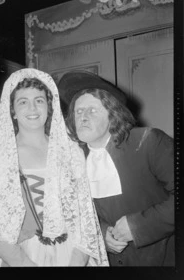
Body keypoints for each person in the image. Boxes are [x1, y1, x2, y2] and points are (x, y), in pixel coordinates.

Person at [0, 68, 109, 267]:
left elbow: (85, 220)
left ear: (49, 105)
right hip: (19, 257)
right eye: (23, 102)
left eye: (39, 100)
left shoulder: (70, 152)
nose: (33, 108)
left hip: (71, 254)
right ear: (12, 110)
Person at [58, 70, 174, 266]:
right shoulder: (75, 159)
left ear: (112, 115)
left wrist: (138, 226)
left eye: (92, 110)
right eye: (78, 111)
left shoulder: (148, 141)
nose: (83, 117)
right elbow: (82, 212)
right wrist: (102, 233)